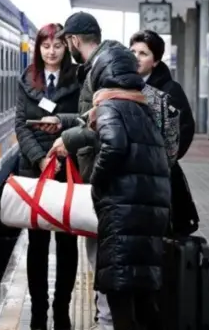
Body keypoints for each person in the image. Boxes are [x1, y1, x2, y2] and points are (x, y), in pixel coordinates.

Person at [42, 11, 125, 330]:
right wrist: (64, 124)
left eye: (65, 43)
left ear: (74, 41)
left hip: (106, 183)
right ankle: (105, 319)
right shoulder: (102, 66)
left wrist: (70, 141)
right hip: (103, 180)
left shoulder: (104, 70)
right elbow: (96, 118)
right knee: (102, 261)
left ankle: (106, 322)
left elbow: (110, 129)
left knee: (104, 263)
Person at [85, 45, 171, 330]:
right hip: (148, 210)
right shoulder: (140, 106)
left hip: (122, 212)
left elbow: (114, 145)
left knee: (119, 291)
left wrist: (96, 181)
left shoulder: (110, 106)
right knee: (144, 296)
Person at [14, 23, 80, 330]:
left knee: (67, 243)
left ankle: (62, 308)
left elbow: (83, 119)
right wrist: (40, 159)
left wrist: (63, 145)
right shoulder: (27, 79)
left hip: (68, 167)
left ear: (66, 47)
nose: (51, 51)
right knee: (37, 245)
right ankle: (38, 311)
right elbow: (20, 126)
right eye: (45, 46)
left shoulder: (78, 79)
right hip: (34, 170)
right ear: (38, 48)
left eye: (57, 46)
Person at [130, 30, 199, 235]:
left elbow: (184, 130)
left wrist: (164, 160)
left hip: (160, 177)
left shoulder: (170, 91)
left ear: (156, 60)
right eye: (132, 51)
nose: (136, 57)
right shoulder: (124, 86)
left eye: (143, 53)